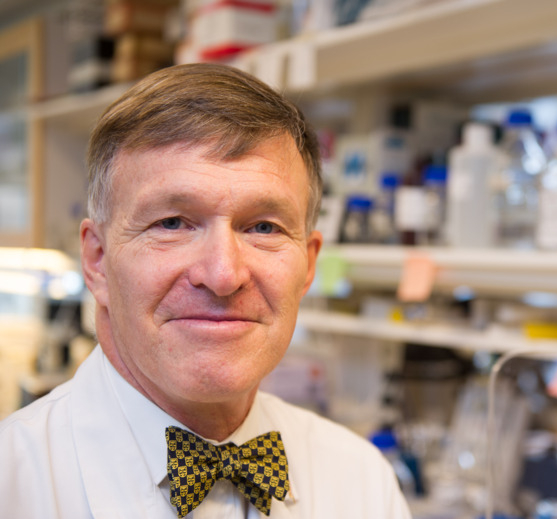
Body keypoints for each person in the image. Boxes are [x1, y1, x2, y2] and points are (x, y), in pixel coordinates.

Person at [0, 63, 412, 519]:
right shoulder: (12, 484)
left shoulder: (362, 483)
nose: (223, 274)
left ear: (308, 265)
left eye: (263, 227)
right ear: (97, 261)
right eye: (172, 223)